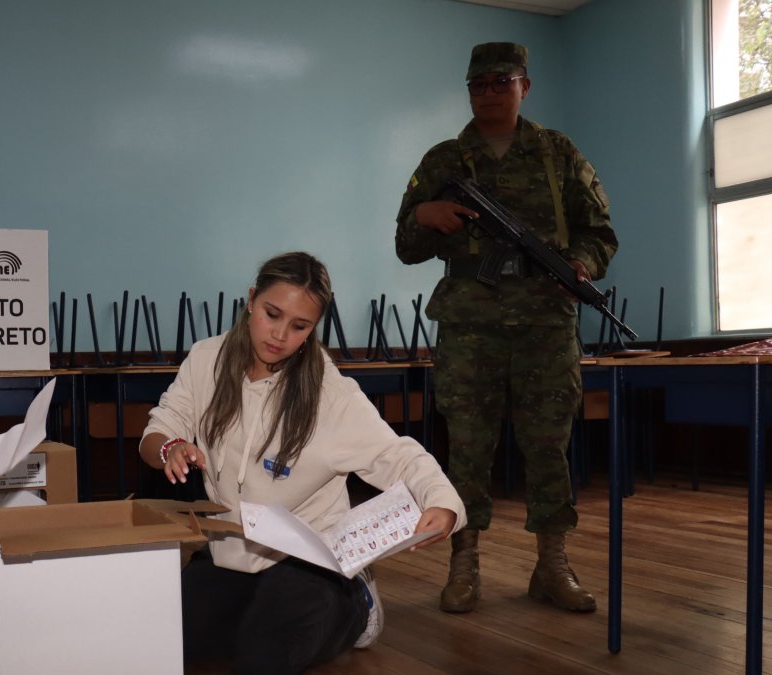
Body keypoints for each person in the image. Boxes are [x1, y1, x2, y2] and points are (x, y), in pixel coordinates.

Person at [139, 252, 465, 675]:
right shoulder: (207, 359)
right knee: (162, 633)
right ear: (251, 300)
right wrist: (172, 447)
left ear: (313, 328)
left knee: (266, 653)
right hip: (231, 552)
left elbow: (397, 453)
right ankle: (257, 614)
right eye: (271, 314)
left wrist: (441, 501)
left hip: (311, 560)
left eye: (299, 326)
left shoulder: (330, 393)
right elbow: (158, 429)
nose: (279, 335)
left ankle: (358, 604)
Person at [395, 42, 618, 614]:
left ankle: (552, 564)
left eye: (502, 80)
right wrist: (427, 216)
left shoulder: (558, 154)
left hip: (546, 322)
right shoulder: (445, 159)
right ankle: (463, 563)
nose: (490, 91)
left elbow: (599, 232)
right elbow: (405, 244)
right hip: (470, 325)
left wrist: (583, 265)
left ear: (525, 85)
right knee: (468, 449)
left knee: (549, 446)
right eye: (479, 84)